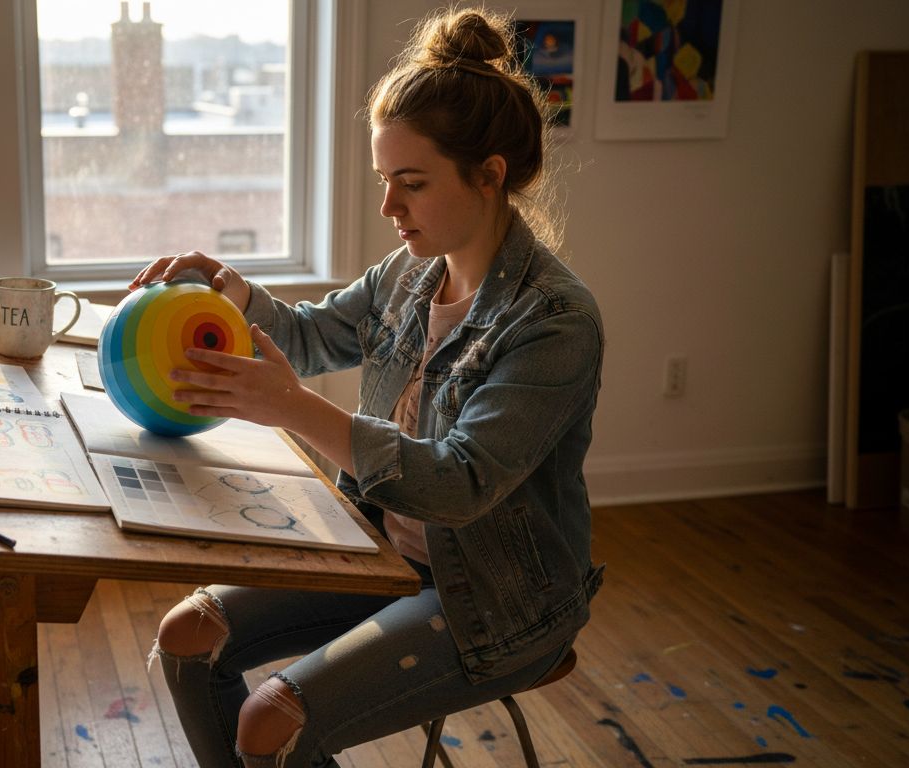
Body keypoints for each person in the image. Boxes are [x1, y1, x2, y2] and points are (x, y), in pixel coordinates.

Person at [132, 6, 605, 767]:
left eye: (411, 184)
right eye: (386, 180)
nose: (389, 207)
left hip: (497, 599)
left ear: (489, 177)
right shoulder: (410, 272)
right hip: (388, 556)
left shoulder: (555, 321)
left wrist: (292, 408)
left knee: (271, 721)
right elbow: (318, 333)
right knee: (188, 635)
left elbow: (458, 484)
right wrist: (234, 294)